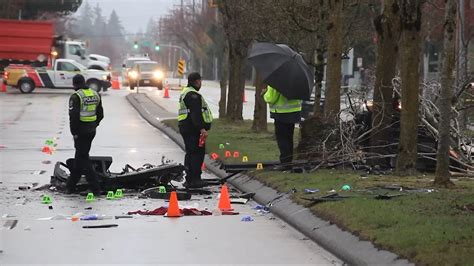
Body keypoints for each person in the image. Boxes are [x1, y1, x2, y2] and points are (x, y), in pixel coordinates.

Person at [66, 74, 103, 194]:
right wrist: (94, 124)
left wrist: (74, 132)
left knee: (83, 158)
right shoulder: (95, 94)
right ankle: (71, 185)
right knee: (80, 156)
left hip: (80, 131)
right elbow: (101, 114)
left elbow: (74, 117)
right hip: (91, 130)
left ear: (74, 84)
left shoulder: (76, 97)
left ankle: (95, 187)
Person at [178, 72, 213, 188]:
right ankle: (195, 179)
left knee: (190, 153)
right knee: (197, 154)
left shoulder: (185, 92)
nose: (200, 83)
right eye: (200, 81)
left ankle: (189, 179)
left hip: (185, 126)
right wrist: (202, 129)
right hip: (192, 128)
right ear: (197, 81)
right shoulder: (193, 95)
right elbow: (196, 114)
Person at [263, 85, 302, 170]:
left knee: (282, 139)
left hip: (281, 113)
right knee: (289, 138)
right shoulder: (296, 80)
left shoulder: (276, 80)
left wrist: (264, 94)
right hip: (294, 112)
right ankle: (289, 161)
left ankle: (284, 163)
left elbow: (270, 98)